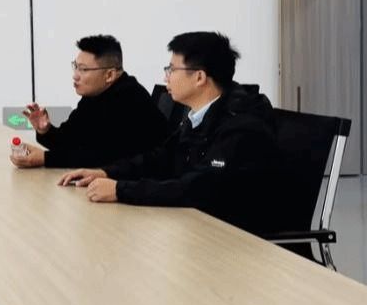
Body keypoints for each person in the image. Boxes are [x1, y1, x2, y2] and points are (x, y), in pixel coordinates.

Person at [58, 32, 280, 234]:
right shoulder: (198, 116)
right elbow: (159, 158)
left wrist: (120, 190)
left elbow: (198, 188)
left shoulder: (241, 125)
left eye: (172, 70)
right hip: (197, 227)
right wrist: (105, 173)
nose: (166, 78)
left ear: (199, 77)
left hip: (236, 239)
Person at [13, 35, 167, 169]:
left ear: (109, 75)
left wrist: (45, 158)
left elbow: (102, 158)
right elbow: (69, 140)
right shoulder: (95, 94)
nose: (75, 76)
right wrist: (45, 130)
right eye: (75, 67)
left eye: (83, 69)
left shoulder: (130, 99)